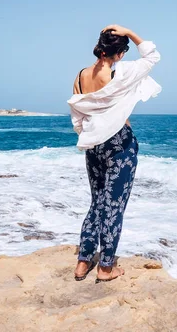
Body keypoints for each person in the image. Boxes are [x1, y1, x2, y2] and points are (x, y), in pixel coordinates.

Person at [68, 24, 161, 283]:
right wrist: (129, 32)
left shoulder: (80, 76)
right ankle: (106, 268)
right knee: (114, 206)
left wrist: (89, 136)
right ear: (119, 53)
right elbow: (152, 56)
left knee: (97, 202)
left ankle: (83, 261)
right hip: (119, 143)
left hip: (93, 145)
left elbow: (78, 115)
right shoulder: (122, 72)